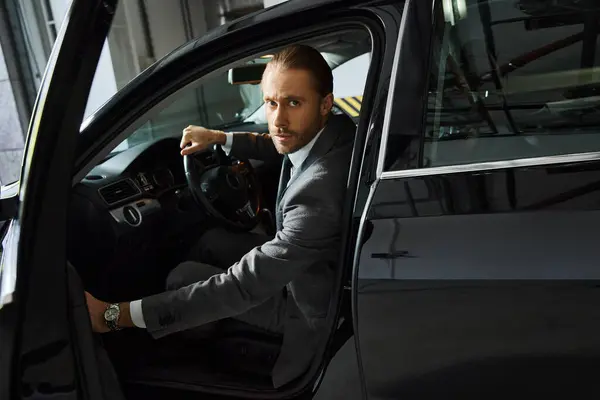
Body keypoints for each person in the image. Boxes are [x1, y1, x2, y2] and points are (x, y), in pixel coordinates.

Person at [85, 44, 356, 388]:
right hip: (309, 272)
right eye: (271, 102)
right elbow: (276, 141)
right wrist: (220, 138)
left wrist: (114, 316)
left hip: (305, 306)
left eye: (293, 103)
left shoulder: (317, 194)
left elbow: (240, 286)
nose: (278, 119)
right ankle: (199, 324)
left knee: (183, 276)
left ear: (325, 104)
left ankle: (195, 365)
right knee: (211, 241)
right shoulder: (335, 131)